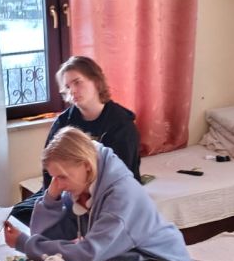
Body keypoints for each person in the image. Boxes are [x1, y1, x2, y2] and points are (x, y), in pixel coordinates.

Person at [3, 127, 190, 261]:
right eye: (54, 177)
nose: (58, 184)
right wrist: (51, 198)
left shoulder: (121, 196)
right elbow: (43, 237)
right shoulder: (79, 187)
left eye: (62, 177)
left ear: (86, 165)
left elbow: (87, 254)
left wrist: (24, 243)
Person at [10, 56, 141, 225]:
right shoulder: (64, 122)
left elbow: (119, 176)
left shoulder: (121, 124)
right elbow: (48, 167)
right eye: (67, 87)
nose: (72, 90)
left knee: (50, 224)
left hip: (106, 195)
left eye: (77, 82)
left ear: (96, 81)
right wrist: (52, 198)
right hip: (66, 190)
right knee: (16, 216)